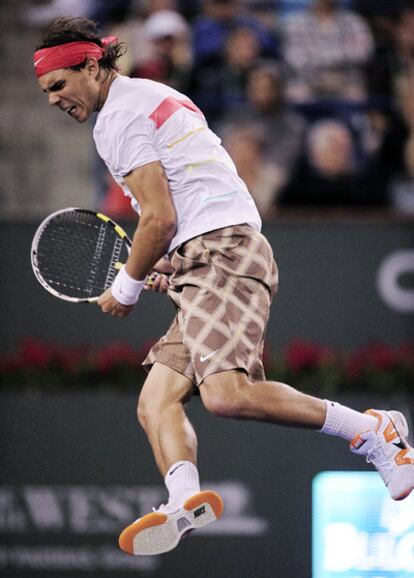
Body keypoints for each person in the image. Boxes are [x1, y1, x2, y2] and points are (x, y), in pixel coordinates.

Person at [34, 16, 414, 557]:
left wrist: (126, 285)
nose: (53, 100)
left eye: (58, 85)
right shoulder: (149, 94)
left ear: (90, 66)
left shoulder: (115, 119)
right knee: (155, 401)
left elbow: (159, 217)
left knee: (226, 395)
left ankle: (372, 431)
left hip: (223, 250)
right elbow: (184, 203)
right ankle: (183, 498)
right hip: (208, 251)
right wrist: (170, 263)